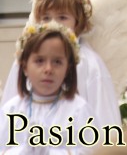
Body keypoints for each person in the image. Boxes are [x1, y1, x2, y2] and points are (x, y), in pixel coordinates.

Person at [0, 0, 121, 129]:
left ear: (77, 22)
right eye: (46, 18)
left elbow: (105, 119)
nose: (54, 24)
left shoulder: (90, 63)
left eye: (62, 17)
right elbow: (11, 101)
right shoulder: (28, 57)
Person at [0, 21, 94, 152]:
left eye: (57, 62)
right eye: (39, 61)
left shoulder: (78, 109)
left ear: (68, 68)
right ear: (25, 66)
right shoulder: (11, 110)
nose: (48, 69)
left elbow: (91, 150)